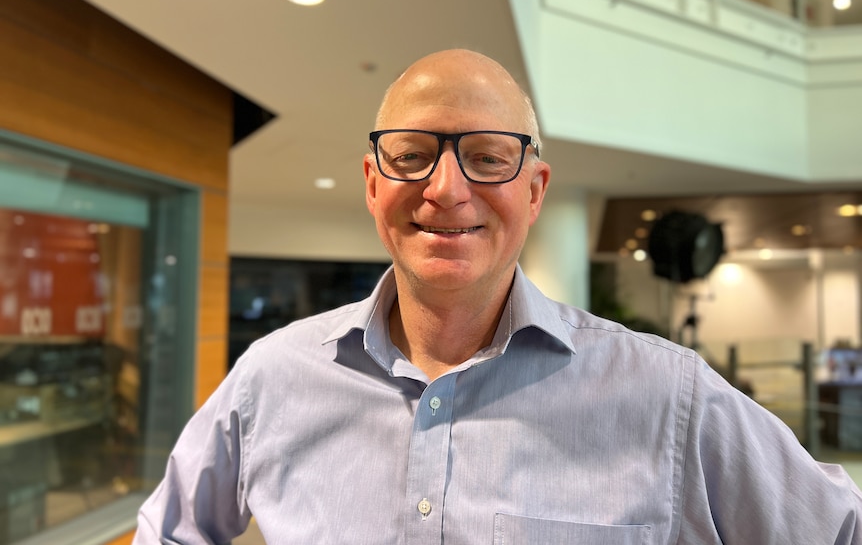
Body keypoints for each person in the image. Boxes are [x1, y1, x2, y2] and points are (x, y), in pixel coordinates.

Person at [133, 49, 862, 544]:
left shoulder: (669, 397)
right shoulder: (272, 375)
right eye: (412, 156)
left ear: (535, 190)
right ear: (372, 182)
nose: (446, 189)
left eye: (487, 157)